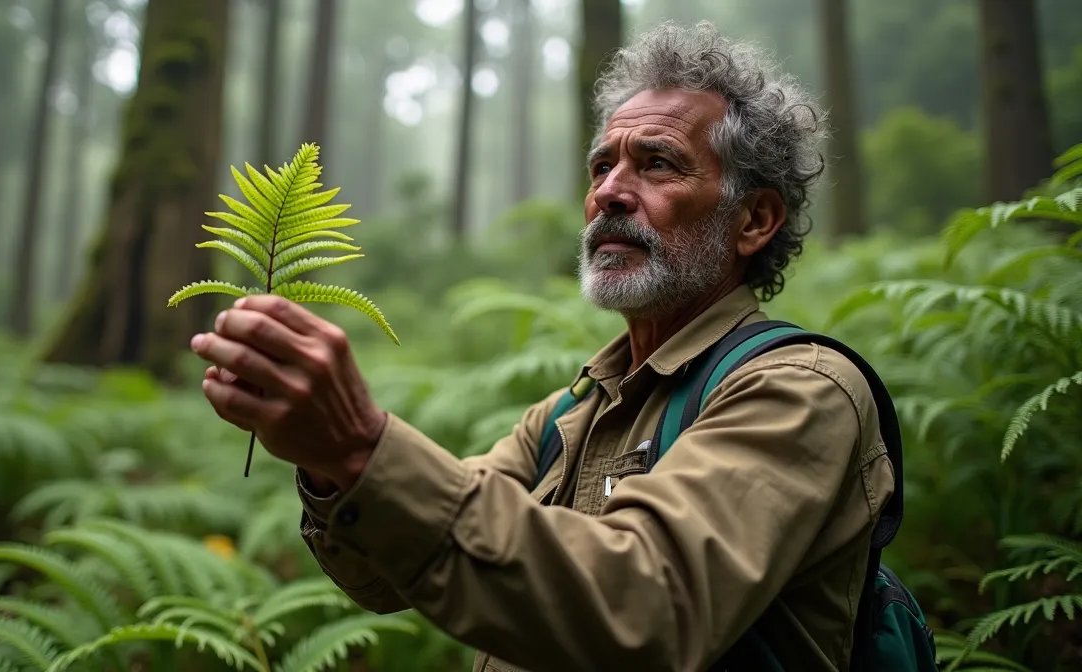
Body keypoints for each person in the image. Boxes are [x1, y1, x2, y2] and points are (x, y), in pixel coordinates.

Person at [190, 21, 896, 672]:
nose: (610, 194)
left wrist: (359, 445)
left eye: (656, 165)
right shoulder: (570, 415)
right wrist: (327, 464)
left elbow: (650, 609)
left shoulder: (801, 391)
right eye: (601, 167)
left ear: (755, 220)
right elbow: (383, 573)